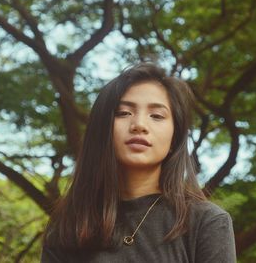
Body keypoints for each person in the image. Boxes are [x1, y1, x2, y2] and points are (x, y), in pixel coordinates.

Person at [41, 63, 236, 262]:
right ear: (102, 129)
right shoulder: (67, 229)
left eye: (157, 116)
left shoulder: (206, 222)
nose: (139, 125)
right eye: (124, 113)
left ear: (174, 138)